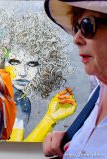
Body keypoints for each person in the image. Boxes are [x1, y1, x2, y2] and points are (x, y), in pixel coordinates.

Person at [43, 0, 107, 158]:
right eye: (76, 28)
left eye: (87, 26)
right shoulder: (98, 93)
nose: (76, 39)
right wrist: (76, 140)